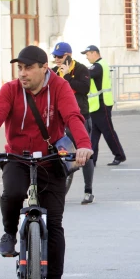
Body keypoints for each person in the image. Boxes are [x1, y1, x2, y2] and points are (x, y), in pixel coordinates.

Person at [0, 45, 94, 279]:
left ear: (43, 68)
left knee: (55, 224)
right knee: (13, 193)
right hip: (18, 156)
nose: (23, 73)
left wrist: (83, 145)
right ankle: (8, 233)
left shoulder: (60, 88)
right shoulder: (9, 90)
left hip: (51, 160)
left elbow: (73, 117)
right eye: (20, 68)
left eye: (28, 68)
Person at [51, 42, 95, 204]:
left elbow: (84, 89)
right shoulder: (54, 72)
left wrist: (68, 76)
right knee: (59, 153)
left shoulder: (81, 69)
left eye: (60, 56)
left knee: (84, 152)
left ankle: (88, 190)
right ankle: (57, 187)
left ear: (68, 56)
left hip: (80, 117)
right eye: (55, 56)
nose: (57, 59)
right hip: (60, 119)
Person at [81, 45, 127, 166]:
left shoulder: (98, 66)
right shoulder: (99, 65)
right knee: (94, 134)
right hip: (97, 105)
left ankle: (119, 155)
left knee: (108, 131)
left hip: (102, 104)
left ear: (94, 53)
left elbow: (85, 75)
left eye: (87, 54)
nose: (86, 57)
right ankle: (92, 159)